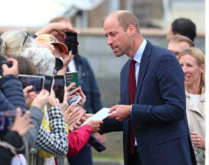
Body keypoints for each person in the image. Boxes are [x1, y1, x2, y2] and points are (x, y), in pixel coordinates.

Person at [99, 10, 196, 165]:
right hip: (136, 158)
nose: (109, 41)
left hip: (166, 158)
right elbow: (127, 117)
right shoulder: (126, 70)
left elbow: (175, 109)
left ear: (130, 30)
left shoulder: (164, 59)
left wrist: (131, 110)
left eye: (112, 34)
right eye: (106, 36)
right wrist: (93, 121)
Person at [49, 16, 104, 165]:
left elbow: (94, 92)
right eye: (62, 33)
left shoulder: (81, 61)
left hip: (80, 124)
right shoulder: (46, 61)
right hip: (57, 125)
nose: (66, 37)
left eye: (70, 33)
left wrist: (98, 125)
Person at [178, 48, 205, 165]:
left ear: (202, 68)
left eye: (189, 65)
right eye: (181, 65)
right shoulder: (175, 98)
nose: (184, 70)